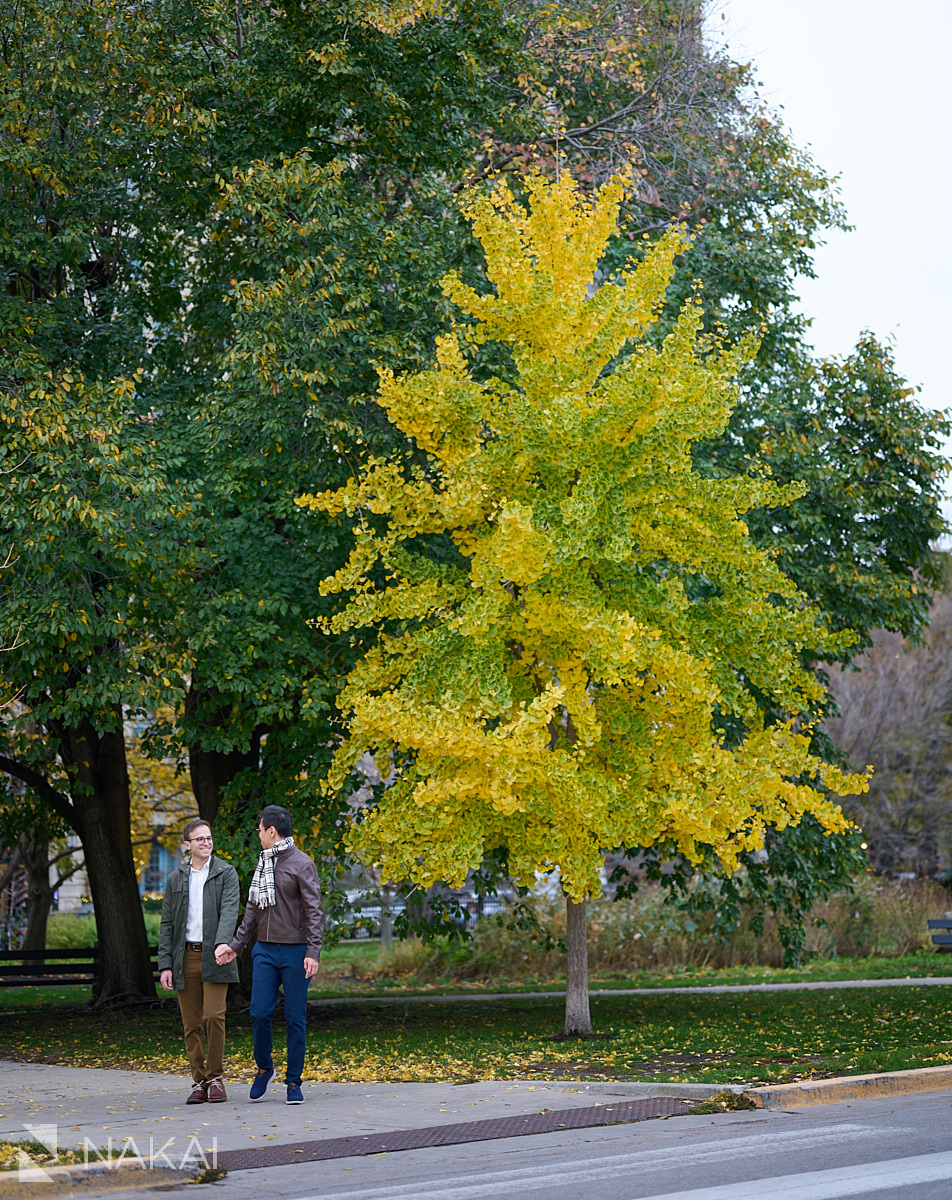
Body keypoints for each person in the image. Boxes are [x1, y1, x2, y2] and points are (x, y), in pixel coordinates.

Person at [215, 805, 323, 1105]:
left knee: (294, 1017)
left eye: (260, 830)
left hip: (296, 951)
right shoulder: (263, 863)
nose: (259, 835)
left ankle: (294, 1082)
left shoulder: (302, 864)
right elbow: (252, 908)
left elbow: (314, 910)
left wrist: (312, 951)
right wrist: (235, 945)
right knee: (259, 1013)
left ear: (271, 831)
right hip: (264, 949)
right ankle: (264, 1068)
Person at [158, 818, 240, 1104]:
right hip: (185, 957)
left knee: (214, 1016)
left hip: (216, 956)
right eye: (200, 839)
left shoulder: (226, 873)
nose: (206, 842)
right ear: (187, 845)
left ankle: (216, 1078)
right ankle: (199, 1081)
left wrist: (222, 943)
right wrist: (165, 964)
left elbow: (230, 911)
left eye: (209, 838)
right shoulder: (175, 879)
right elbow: (167, 923)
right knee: (191, 1022)